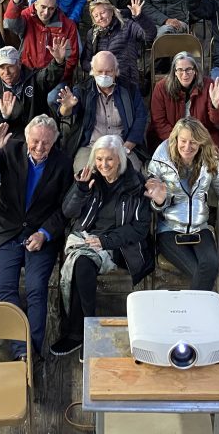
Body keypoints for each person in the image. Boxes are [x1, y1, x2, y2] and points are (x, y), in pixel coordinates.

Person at [51, 135, 153, 357]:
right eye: (99, 159)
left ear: (120, 160)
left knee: (81, 265)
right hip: (86, 239)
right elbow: (68, 212)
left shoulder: (135, 185)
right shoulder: (89, 179)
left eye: (109, 159)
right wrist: (80, 190)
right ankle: (86, 331)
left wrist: (105, 241)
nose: (103, 165)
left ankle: (81, 332)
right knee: (81, 264)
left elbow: (140, 228)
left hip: (119, 247)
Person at [0, 118, 72, 360]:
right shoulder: (10, 150)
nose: (40, 147)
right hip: (8, 231)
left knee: (36, 290)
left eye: (46, 143)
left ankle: (30, 350)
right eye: (35, 141)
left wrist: (45, 233)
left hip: (41, 234)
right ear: (27, 138)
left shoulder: (63, 163)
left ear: (54, 142)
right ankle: (25, 351)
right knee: (5, 290)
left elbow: (65, 209)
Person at [146, 118, 219, 290]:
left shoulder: (209, 160)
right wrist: (160, 202)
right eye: (183, 141)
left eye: (193, 142)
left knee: (210, 265)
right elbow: (154, 204)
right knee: (201, 272)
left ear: (201, 143)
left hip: (200, 227)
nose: (187, 147)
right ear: (176, 140)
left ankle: (189, 314)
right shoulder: (160, 162)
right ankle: (196, 315)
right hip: (169, 229)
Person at [58, 51, 149, 172]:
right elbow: (65, 113)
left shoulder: (129, 89)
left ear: (116, 71)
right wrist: (66, 107)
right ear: (92, 71)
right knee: (86, 177)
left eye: (109, 71)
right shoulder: (82, 89)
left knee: (131, 176)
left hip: (121, 146)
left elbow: (141, 117)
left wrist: (128, 146)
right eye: (100, 71)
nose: (104, 75)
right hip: (91, 147)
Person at [3, 0, 81, 82]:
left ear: (56, 8)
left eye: (51, 8)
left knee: (51, 98)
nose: (46, 12)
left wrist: (59, 78)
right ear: (35, 4)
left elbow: (71, 58)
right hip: (27, 74)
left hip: (54, 76)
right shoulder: (27, 15)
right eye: (43, 7)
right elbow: (9, 24)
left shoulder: (68, 26)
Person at [147, 53, 219, 149]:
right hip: (171, 137)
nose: (185, 74)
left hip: (202, 137)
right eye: (180, 70)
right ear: (174, 72)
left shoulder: (209, 85)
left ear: (195, 71)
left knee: (213, 149)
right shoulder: (161, 88)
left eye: (188, 69)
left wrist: (215, 105)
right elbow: (159, 122)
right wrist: (180, 141)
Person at [0, 43, 68, 139]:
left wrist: (58, 61)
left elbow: (49, 75)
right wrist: (5, 116)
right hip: (11, 137)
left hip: (38, 132)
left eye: (10, 66)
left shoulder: (33, 78)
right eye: (2, 68)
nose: (6, 72)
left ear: (19, 63)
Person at [82, 0, 155, 91]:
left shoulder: (127, 25)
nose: (100, 17)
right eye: (96, 16)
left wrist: (139, 17)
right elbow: (85, 62)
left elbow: (150, 35)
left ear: (111, 12)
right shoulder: (92, 34)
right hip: (102, 80)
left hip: (126, 78)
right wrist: (99, 70)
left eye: (103, 13)